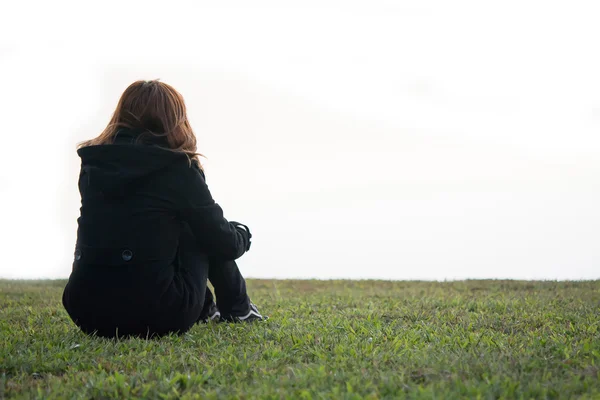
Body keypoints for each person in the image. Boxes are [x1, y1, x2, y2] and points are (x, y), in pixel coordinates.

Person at [62, 80, 265, 338]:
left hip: (86, 310)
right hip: (159, 313)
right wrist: (241, 234)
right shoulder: (178, 168)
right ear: (174, 120)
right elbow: (221, 241)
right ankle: (238, 309)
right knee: (200, 226)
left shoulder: (93, 165)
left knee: (167, 222)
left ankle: (208, 309)